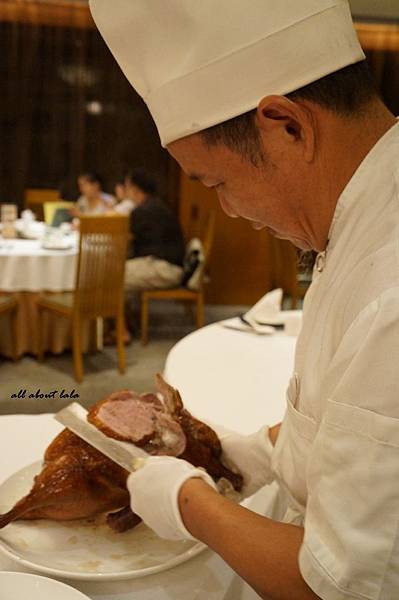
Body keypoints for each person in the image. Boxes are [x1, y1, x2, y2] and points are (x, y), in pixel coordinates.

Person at [89, 2, 399, 598]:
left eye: (217, 183)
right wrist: (261, 449)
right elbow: (349, 415)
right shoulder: (361, 213)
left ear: (287, 125)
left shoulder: (389, 285)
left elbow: (335, 586)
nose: (230, 210)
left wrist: (189, 503)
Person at [124, 168, 185, 293]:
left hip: (166, 269)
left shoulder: (143, 211)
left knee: (110, 276)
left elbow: (125, 240)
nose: (126, 192)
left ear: (135, 189)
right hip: (170, 265)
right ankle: (125, 310)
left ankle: (114, 312)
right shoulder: (156, 205)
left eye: (127, 187)